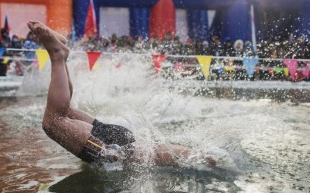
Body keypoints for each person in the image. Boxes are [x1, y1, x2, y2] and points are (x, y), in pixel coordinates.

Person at [27, 20, 215, 166]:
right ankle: (58, 56)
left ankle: (60, 55)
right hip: (114, 150)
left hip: (116, 143)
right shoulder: (186, 158)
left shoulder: (173, 152)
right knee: (55, 120)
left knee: (61, 115)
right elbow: (194, 159)